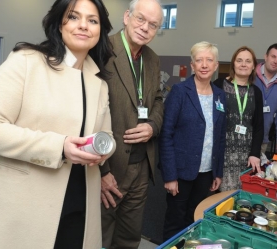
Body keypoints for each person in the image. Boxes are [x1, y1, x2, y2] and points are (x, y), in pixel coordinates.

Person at [0, 0, 115, 248]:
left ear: (101, 31)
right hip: (24, 202)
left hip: (80, 200)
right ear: (59, 22)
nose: (84, 26)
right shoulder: (27, 61)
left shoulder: (98, 81)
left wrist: (105, 150)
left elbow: (106, 135)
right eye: (74, 17)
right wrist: (59, 146)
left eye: (93, 20)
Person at [99, 0, 164, 248]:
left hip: (142, 165)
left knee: (129, 237)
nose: (145, 27)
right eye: (140, 19)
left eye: (153, 24)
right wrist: (102, 172)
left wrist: (152, 126)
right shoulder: (102, 50)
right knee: (100, 235)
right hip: (110, 164)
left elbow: (157, 98)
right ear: (127, 17)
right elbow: (90, 111)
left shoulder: (153, 59)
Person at [160, 41, 226, 241]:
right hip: (181, 172)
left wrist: (218, 171)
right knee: (175, 220)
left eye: (209, 60)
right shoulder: (180, 92)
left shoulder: (220, 96)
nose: (204, 64)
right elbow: (166, 134)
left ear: (215, 65)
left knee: (195, 218)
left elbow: (220, 136)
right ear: (193, 65)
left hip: (206, 173)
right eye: (199, 60)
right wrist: (170, 175)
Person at [214, 46, 264, 191]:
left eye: (248, 61)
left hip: (246, 155)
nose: (243, 64)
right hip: (222, 152)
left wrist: (255, 153)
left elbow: (259, 126)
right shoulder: (219, 86)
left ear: (253, 65)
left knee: (242, 196)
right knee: (220, 196)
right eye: (239, 60)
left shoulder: (256, 92)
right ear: (233, 64)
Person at [254, 43, 277, 156]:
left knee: (252, 173)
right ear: (266, 56)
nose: (275, 61)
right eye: (273, 56)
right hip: (242, 137)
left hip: (262, 141)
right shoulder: (249, 76)